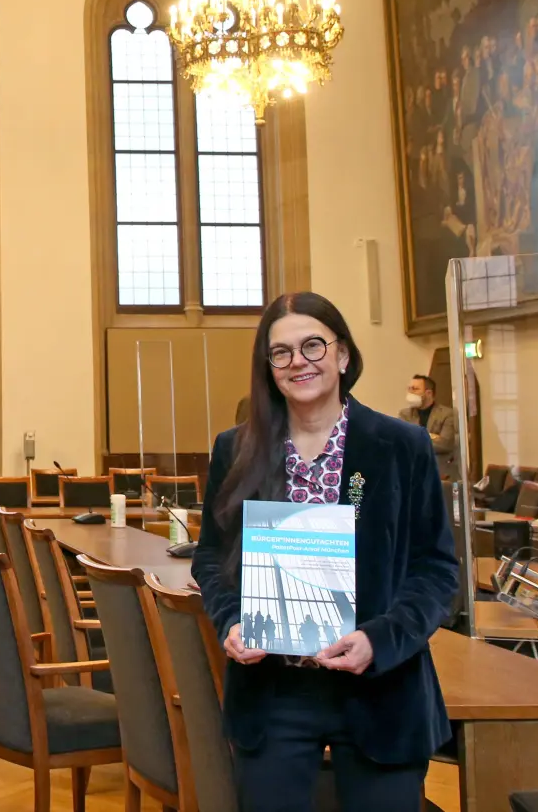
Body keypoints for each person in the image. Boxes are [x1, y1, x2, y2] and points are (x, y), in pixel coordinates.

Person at [193, 292, 458, 811]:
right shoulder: (236, 449)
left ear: (342, 355)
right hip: (274, 692)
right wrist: (230, 621)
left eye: (313, 345)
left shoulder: (403, 446)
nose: (299, 362)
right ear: (269, 368)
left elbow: (436, 569)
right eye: (281, 352)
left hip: (381, 687)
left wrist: (380, 639)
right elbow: (209, 558)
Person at [400, 374, 459, 479]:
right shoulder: (405, 414)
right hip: (412, 472)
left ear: (428, 393)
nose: (410, 392)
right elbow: (402, 442)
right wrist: (432, 436)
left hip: (440, 472)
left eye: (415, 389)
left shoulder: (446, 414)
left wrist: (416, 437)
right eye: (409, 389)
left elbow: (445, 444)